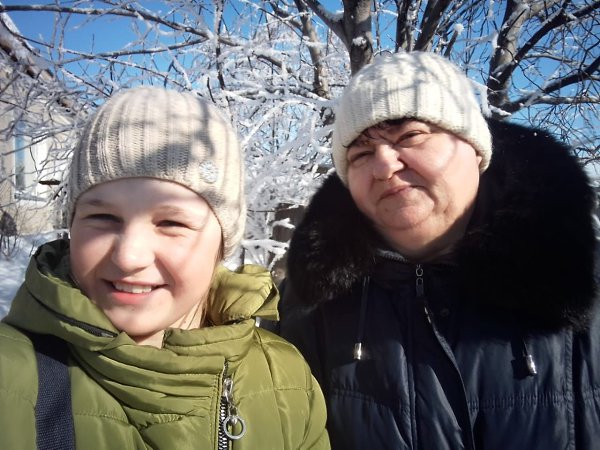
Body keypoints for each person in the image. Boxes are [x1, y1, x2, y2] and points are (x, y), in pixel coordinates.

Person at [279, 51, 600, 449]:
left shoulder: (582, 281)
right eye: (361, 153)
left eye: (410, 136)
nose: (384, 166)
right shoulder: (308, 309)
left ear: (474, 148)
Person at [0, 86, 329, 449]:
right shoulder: (12, 379)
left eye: (172, 223)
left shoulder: (286, 381)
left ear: (222, 244)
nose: (129, 257)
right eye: (103, 217)